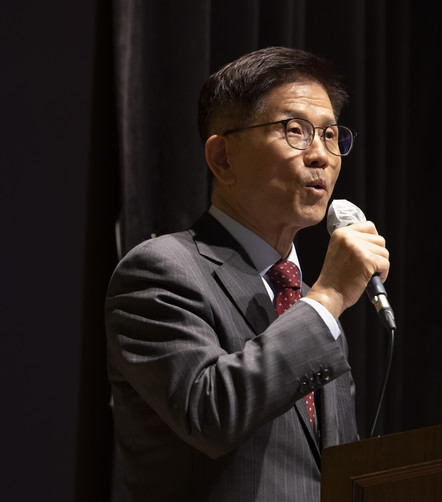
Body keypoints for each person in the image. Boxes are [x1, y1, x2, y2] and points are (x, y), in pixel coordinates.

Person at [105, 46, 390, 501]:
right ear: (223, 158)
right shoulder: (159, 271)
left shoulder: (310, 303)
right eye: (296, 131)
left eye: (331, 135)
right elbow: (209, 413)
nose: (322, 155)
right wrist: (329, 298)